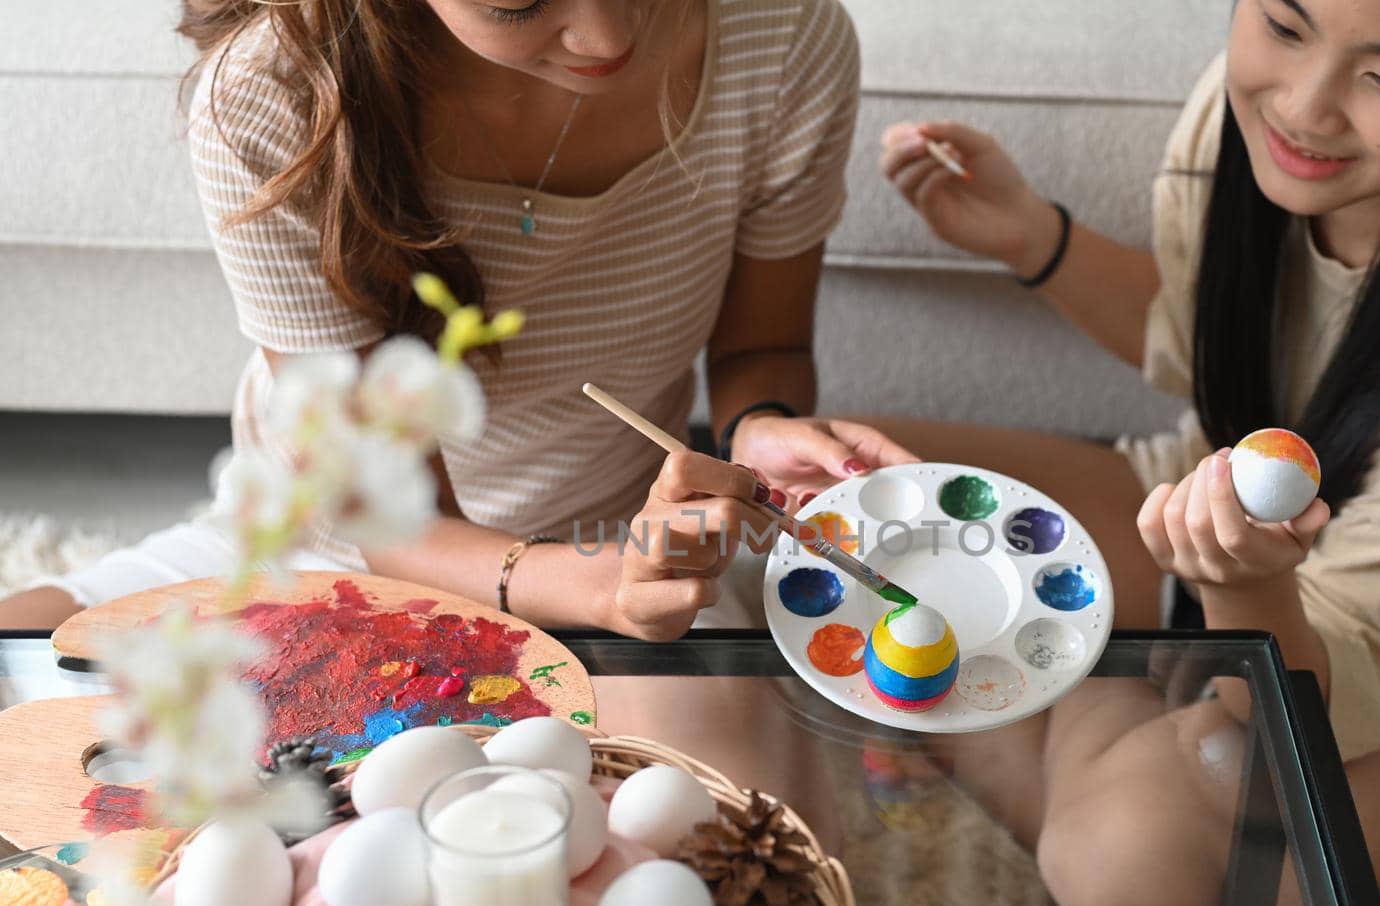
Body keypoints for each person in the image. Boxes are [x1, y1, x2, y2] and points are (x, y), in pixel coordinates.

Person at [880, 0, 1380, 906]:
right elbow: (1206, 333)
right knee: (851, 506)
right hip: (1212, 510)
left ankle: (1099, 758)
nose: (1305, 107)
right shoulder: (1250, 120)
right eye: (1281, 24)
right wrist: (1034, 239)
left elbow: (1326, 705)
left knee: (1121, 850)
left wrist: (1241, 584)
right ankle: (1113, 759)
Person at [0, 0, 916, 640]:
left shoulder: (788, 37)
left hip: (620, 539)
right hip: (328, 545)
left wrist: (758, 430)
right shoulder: (270, 100)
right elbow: (391, 523)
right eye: (516, 0)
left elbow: (763, 345)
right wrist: (593, 591)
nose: (610, 32)